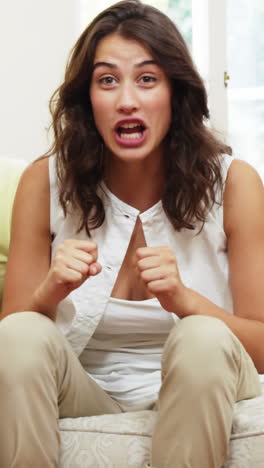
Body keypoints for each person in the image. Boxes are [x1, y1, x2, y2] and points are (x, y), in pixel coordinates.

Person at [0, 0, 264, 466]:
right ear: (88, 100)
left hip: (206, 378)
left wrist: (186, 301)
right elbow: (11, 342)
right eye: (107, 80)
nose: (127, 100)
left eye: (147, 78)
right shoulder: (45, 182)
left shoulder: (235, 183)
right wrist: (50, 291)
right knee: (20, 333)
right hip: (87, 390)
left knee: (201, 337)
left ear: (174, 92)